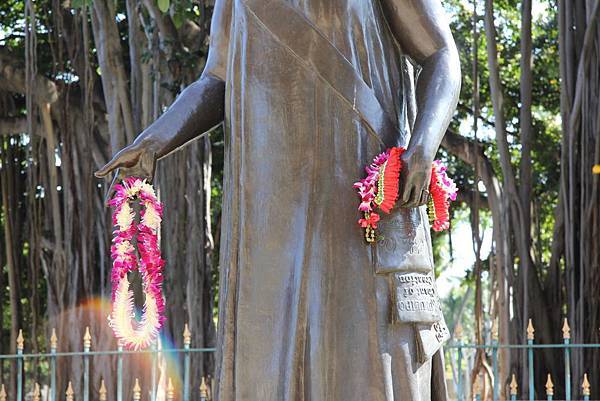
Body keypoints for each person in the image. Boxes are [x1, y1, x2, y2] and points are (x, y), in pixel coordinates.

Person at [96, 0, 461, 400]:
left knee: (370, 357)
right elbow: (217, 79)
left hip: (360, 196)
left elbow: (440, 52)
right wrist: (155, 141)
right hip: (272, 207)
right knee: (274, 359)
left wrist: (424, 145)